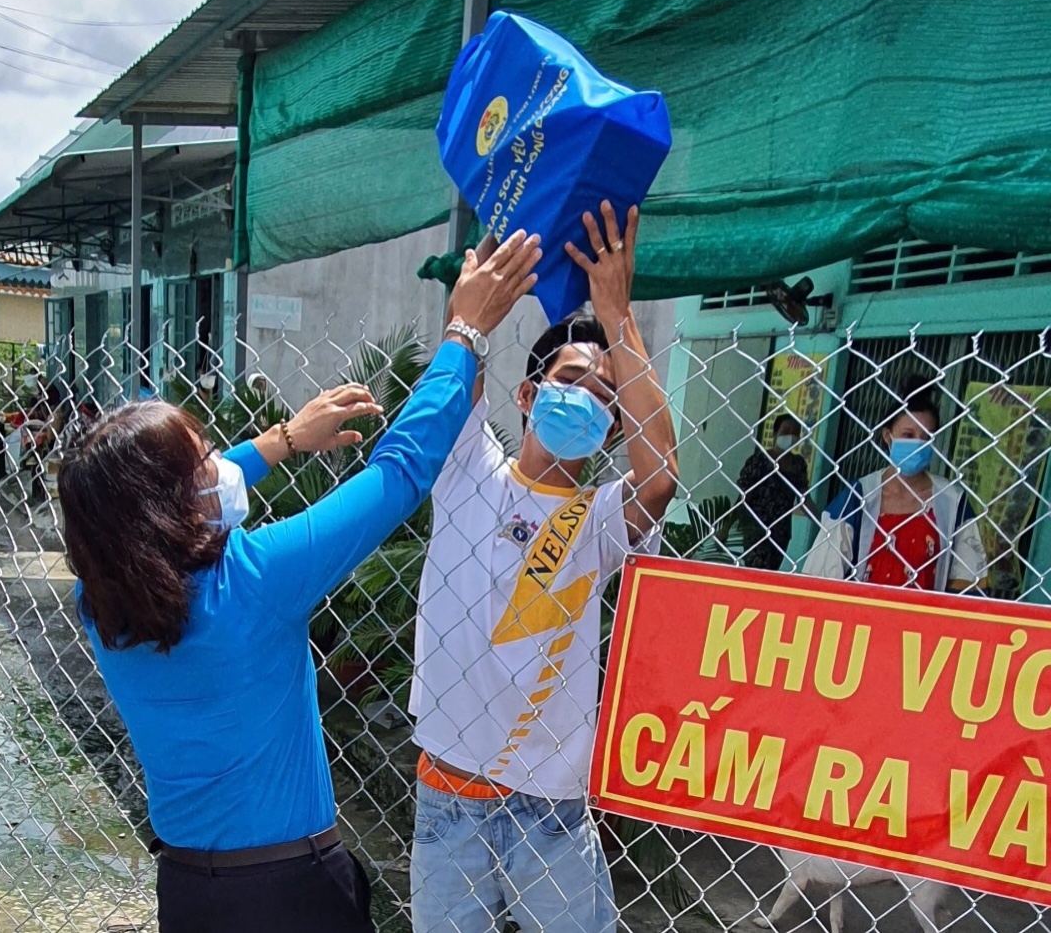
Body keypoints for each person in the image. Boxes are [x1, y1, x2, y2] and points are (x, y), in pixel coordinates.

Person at [57, 230, 542, 933]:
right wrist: (463, 332)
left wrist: (281, 442)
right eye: (203, 464)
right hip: (292, 894)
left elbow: (149, 510)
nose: (220, 469)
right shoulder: (254, 580)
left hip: (189, 891)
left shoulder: (101, 600)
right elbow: (400, 472)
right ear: (170, 506)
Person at [408, 202, 679, 933]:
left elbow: (659, 480)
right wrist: (488, 261)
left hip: (550, 810)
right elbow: (460, 355)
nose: (585, 398)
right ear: (527, 396)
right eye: (569, 379)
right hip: (449, 800)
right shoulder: (470, 468)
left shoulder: (599, 521)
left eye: (603, 396)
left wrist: (616, 315)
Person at [803, 374, 987, 592]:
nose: (918, 443)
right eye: (908, 435)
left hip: (921, 623)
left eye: (926, 437)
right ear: (887, 436)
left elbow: (969, 582)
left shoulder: (953, 501)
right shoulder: (859, 496)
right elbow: (820, 576)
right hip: (861, 621)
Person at [737, 413, 810, 570]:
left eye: (794, 432)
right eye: (786, 431)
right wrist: (727, 525)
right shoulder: (759, 460)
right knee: (755, 572)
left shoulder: (798, 465)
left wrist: (822, 521)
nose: (790, 436)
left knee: (771, 572)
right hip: (755, 529)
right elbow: (744, 495)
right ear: (775, 434)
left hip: (780, 532)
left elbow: (804, 499)